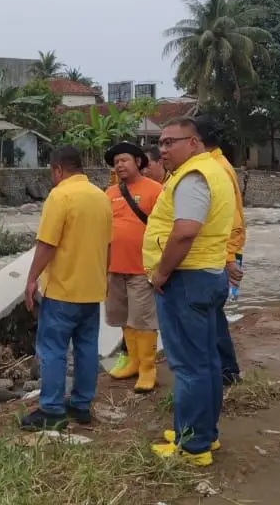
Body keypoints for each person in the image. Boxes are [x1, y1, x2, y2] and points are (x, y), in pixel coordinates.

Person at [144, 116, 236, 466]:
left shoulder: (193, 177)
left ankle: (193, 445)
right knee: (206, 361)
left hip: (186, 279)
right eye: (161, 143)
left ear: (193, 143)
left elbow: (184, 232)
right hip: (207, 274)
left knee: (188, 366)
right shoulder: (215, 170)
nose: (163, 149)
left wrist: (161, 273)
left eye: (171, 142)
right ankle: (203, 433)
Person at [21, 145, 113, 431]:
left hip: (63, 289)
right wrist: (104, 277)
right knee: (86, 348)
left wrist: (31, 279)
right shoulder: (101, 196)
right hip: (92, 289)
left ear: (58, 169)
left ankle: (51, 409)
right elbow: (108, 245)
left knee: (53, 349)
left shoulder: (60, 195)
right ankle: (81, 405)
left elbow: (47, 243)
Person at [103, 141, 163, 393]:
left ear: (138, 162)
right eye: (116, 162)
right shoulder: (109, 193)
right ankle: (133, 362)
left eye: (124, 160)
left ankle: (148, 368)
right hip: (114, 267)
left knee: (144, 319)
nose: (119, 165)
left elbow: (165, 229)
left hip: (142, 269)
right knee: (123, 317)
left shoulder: (156, 190)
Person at [196, 116, 246, 387]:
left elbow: (231, 219)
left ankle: (226, 370)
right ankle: (223, 369)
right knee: (212, 314)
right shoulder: (217, 164)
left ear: (196, 141)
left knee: (212, 314)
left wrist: (229, 258)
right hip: (222, 252)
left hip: (221, 253)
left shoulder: (215, 168)